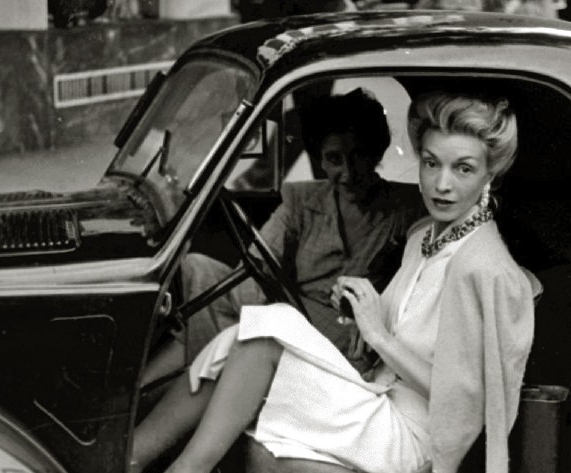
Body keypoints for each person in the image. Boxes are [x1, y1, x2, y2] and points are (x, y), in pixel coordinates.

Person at [131, 91, 541, 473]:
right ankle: (132, 465)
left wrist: (378, 336)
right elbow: (401, 322)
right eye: (431, 163)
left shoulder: (487, 269)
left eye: (463, 169)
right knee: (243, 334)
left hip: (413, 442)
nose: (441, 183)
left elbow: (474, 407)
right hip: (379, 396)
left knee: (266, 335)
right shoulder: (426, 236)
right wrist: (365, 304)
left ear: (491, 173)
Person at [141, 88, 425, 385]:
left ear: (377, 152)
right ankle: (163, 387)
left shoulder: (408, 209)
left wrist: (372, 315)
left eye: (358, 156)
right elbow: (254, 270)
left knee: (223, 325)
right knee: (198, 269)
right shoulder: (301, 200)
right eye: (334, 159)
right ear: (320, 160)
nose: (348, 172)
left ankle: (187, 383)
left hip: (359, 337)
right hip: (297, 320)